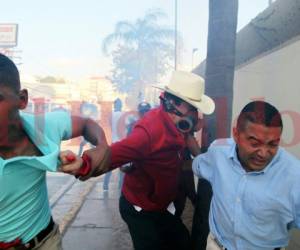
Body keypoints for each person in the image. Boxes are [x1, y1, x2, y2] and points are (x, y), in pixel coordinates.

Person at [62, 70, 215, 250]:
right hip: (141, 210)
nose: (195, 114)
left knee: (181, 242)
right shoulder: (149, 132)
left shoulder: (178, 126)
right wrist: (84, 164)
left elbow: (185, 146)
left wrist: (202, 159)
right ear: (173, 104)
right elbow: (113, 154)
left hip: (162, 206)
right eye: (192, 108)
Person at [0, 53, 107, 250]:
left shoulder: (41, 128)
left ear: (22, 99)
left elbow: (85, 124)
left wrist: (101, 147)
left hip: (47, 242)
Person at [192, 101, 300, 250]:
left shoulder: (295, 177)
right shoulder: (218, 152)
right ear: (236, 134)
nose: (263, 153)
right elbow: (198, 165)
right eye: (255, 143)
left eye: (272, 144)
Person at [103, 98, 125, 191]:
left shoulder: (111, 115)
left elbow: (110, 126)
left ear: (114, 105)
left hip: (113, 143)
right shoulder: (124, 115)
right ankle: (121, 186)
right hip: (122, 143)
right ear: (121, 106)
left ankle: (105, 185)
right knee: (122, 166)